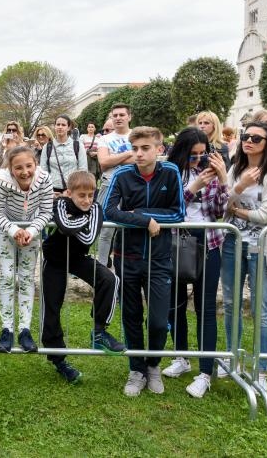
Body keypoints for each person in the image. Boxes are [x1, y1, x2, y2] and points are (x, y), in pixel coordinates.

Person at [104, 126, 185, 397]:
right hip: (126, 257)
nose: (139, 154)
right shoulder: (122, 174)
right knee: (131, 316)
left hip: (159, 258)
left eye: (145, 148)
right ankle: (136, 369)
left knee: (159, 321)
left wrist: (139, 213)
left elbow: (178, 213)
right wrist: (145, 220)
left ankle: (153, 365)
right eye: (135, 148)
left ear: (159, 149)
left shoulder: (170, 172)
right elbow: (109, 211)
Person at [160, 128, 228, 398]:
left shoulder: (210, 171)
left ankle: (205, 372)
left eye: (202, 154)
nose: (198, 160)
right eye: (193, 155)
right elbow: (168, 208)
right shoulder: (169, 171)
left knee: (205, 307)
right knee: (174, 304)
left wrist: (222, 178)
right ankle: (181, 357)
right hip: (175, 241)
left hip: (207, 242)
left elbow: (221, 211)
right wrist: (193, 187)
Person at [219, 122, 267, 392]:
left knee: (261, 309)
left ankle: (261, 369)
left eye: (256, 138)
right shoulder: (236, 168)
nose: (248, 141)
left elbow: (264, 214)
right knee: (231, 304)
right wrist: (241, 186)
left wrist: (237, 210)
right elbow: (221, 205)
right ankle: (232, 358)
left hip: (262, 245)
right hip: (232, 243)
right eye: (245, 136)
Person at [41, 170, 125, 383]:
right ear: (69, 193)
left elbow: (87, 237)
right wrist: (82, 221)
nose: (87, 200)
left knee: (110, 279)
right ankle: (59, 360)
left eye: (90, 195)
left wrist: (72, 223)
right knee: (52, 307)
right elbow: (64, 226)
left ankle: (99, 331)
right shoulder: (60, 203)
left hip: (78, 257)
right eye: (81, 195)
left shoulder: (96, 208)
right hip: (55, 258)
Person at [0, 146, 53, 353]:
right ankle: (7, 329)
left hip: (32, 230)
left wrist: (31, 231)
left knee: (26, 278)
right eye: (18, 168)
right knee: (7, 277)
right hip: (6, 229)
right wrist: (14, 230)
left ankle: (25, 329)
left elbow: (46, 211)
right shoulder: (2, 181)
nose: (25, 172)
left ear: (36, 164)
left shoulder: (44, 179)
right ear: (10, 168)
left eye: (29, 166)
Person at [96, 104, 134, 266]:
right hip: (110, 186)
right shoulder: (105, 139)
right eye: (115, 115)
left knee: (131, 228)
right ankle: (102, 268)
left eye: (122, 115)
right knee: (106, 230)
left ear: (129, 117)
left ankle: (127, 268)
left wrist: (114, 158)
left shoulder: (137, 136)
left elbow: (141, 160)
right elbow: (103, 162)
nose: (118, 118)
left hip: (133, 187)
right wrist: (129, 153)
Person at [40, 115, 87, 193]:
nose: (60, 127)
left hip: (73, 189)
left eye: (63, 125)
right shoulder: (47, 147)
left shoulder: (78, 146)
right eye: (58, 124)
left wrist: (76, 188)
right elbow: (43, 170)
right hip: (53, 190)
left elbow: (83, 170)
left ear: (68, 127)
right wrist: (48, 190)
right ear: (54, 126)